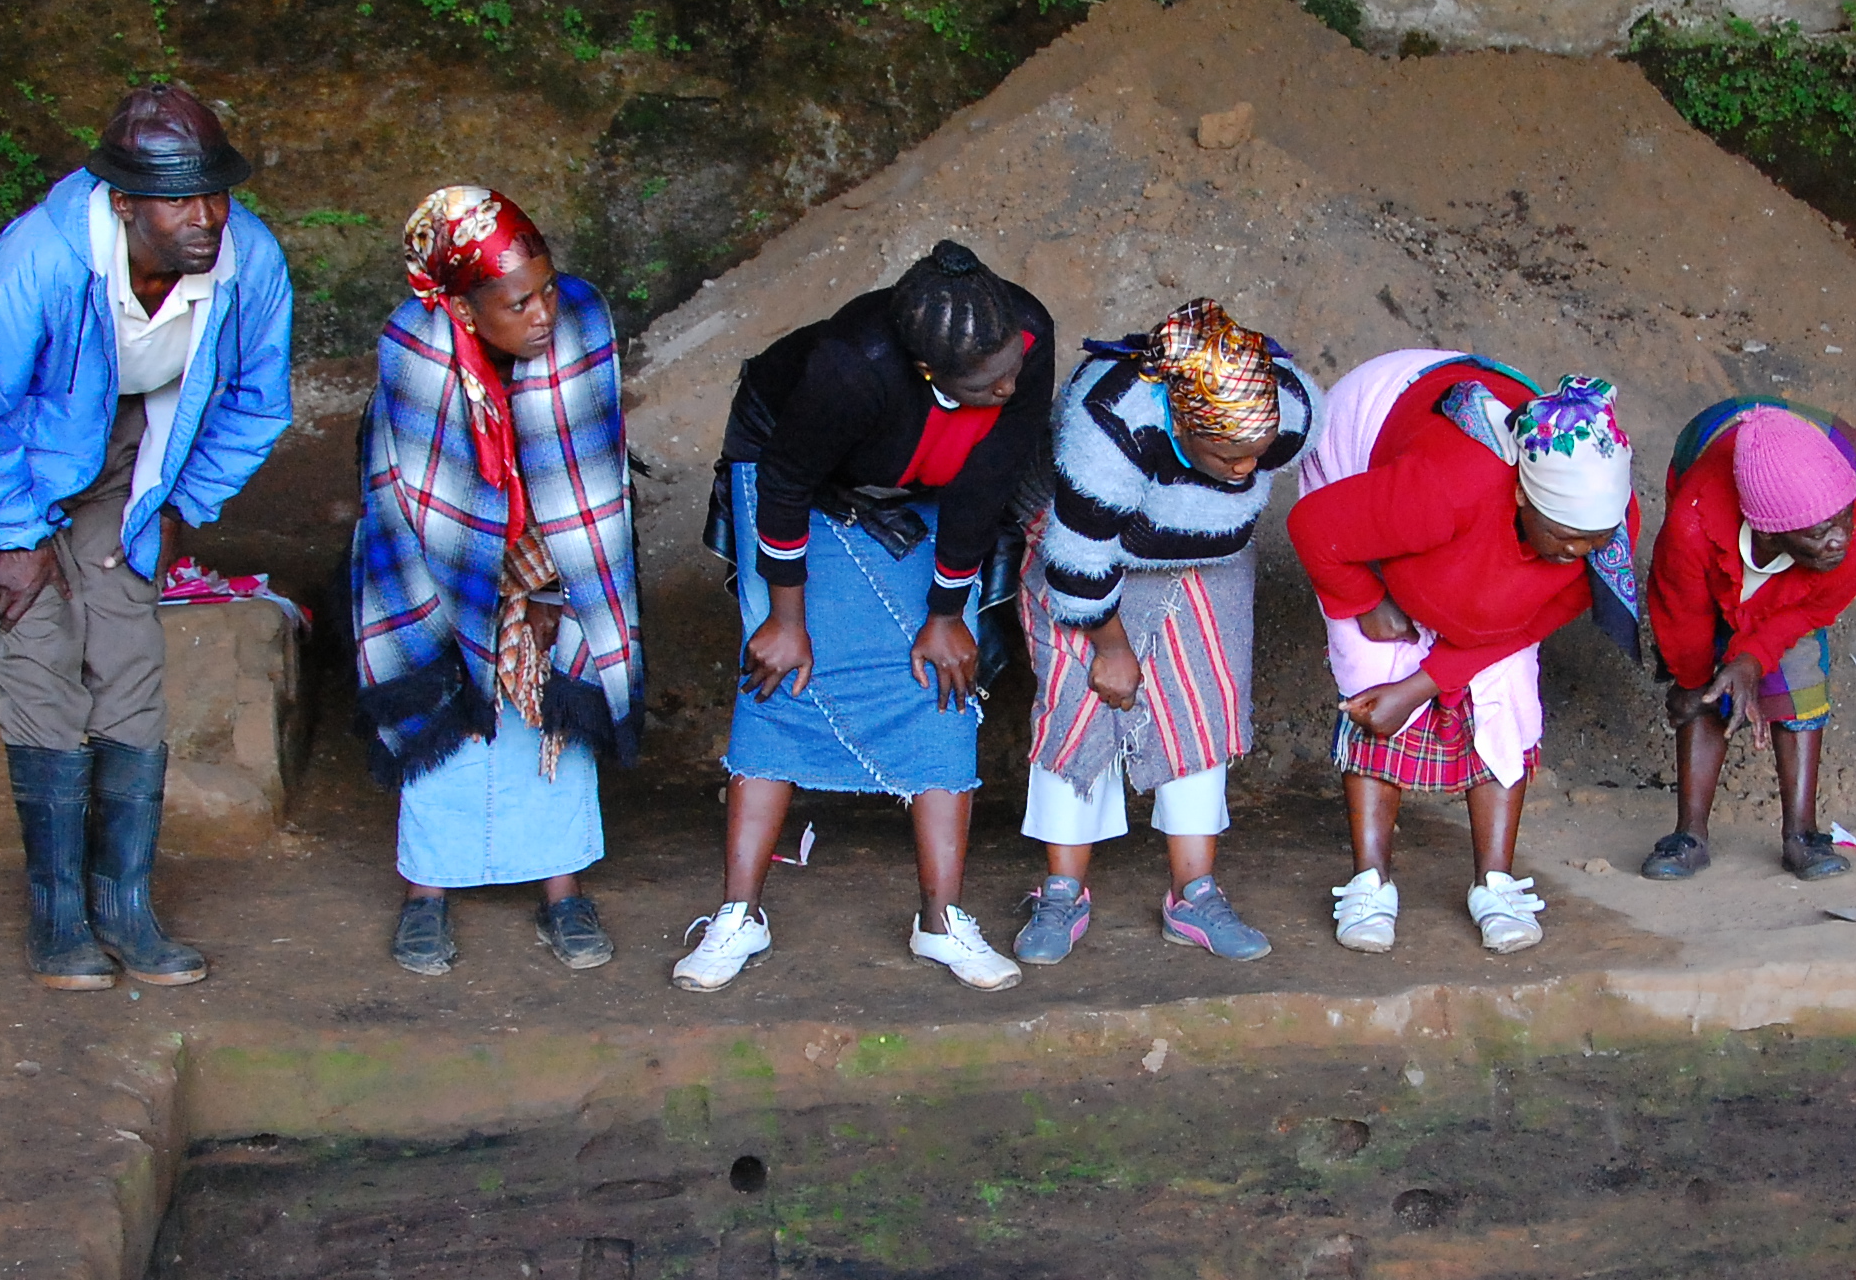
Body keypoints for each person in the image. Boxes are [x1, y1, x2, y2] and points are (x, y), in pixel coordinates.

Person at [0, 84, 293, 989]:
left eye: (214, 193)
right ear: (124, 202)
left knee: (127, 654)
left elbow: (258, 401)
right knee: (41, 650)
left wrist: (178, 502)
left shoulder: (247, 259)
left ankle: (125, 905)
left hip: (131, 453)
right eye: (178, 199)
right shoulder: (44, 261)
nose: (205, 216)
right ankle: (58, 915)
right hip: (18, 459)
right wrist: (10, 537)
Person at [675, 241, 1054, 993]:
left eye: (1014, 365)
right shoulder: (850, 368)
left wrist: (950, 611)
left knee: (942, 678)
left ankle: (941, 922)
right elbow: (785, 485)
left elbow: (985, 484)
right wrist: (787, 617)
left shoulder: (1024, 337)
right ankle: (738, 915)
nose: (1013, 384)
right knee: (779, 675)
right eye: (990, 380)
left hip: (923, 477)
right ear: (927, 371)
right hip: (796, 470)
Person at [352, 189, 643, 975]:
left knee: (553, 719)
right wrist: (487, 593)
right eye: (518, 303)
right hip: (436, 563)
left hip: (555, 564)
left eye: (547, 288)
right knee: (448, 708)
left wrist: (552, 591)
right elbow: (419, 496)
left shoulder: (581, 326)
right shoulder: (415, 349)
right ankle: (425, 894)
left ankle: (563, 890)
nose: (543, 313)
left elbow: (589, 472)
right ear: (465, 307)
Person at [1287, 353, 1637, 955]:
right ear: (1524, 499)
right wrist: (1365, 596)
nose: (1577, 551)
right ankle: (1370, 882)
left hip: (1457, 544)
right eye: (1562, 535)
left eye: (1593, 540)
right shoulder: (1443, 489)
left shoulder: (1604, 530)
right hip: (1369, 444)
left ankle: (1494, 884)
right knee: (1375, 666)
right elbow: (1316, 527)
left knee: (1507, 690)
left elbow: (1522, 628)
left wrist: (1426, 683)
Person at [1013, 299, 1317, 965]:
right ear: (1182, 425)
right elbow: (1077, 560)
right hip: (1090, 551)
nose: (1245, 470)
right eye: (1228, 455)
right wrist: (1109, 646)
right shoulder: (1112, 428)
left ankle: (1194, 896)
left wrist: (1238, 463)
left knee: (1201, 707)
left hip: (1208, 556)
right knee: (1076, 707)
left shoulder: (1287, 409)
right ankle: (1062, 891)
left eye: (1256, 457)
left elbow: (1260, 461)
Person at [1639, 398, 1856, 884]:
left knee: (1802, 672)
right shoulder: (1692, 523)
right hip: (1710, 514)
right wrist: (1691, 678)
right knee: (1704, 686)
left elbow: (1811, 609)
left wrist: (1754, 656)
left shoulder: (1852, 535)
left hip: (1791, 569)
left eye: (1845, 518)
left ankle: (1802, 835)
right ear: (1771, 532)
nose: (1840, 539)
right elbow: (1681, 608)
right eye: (1820, 532)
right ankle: (1690, 835)